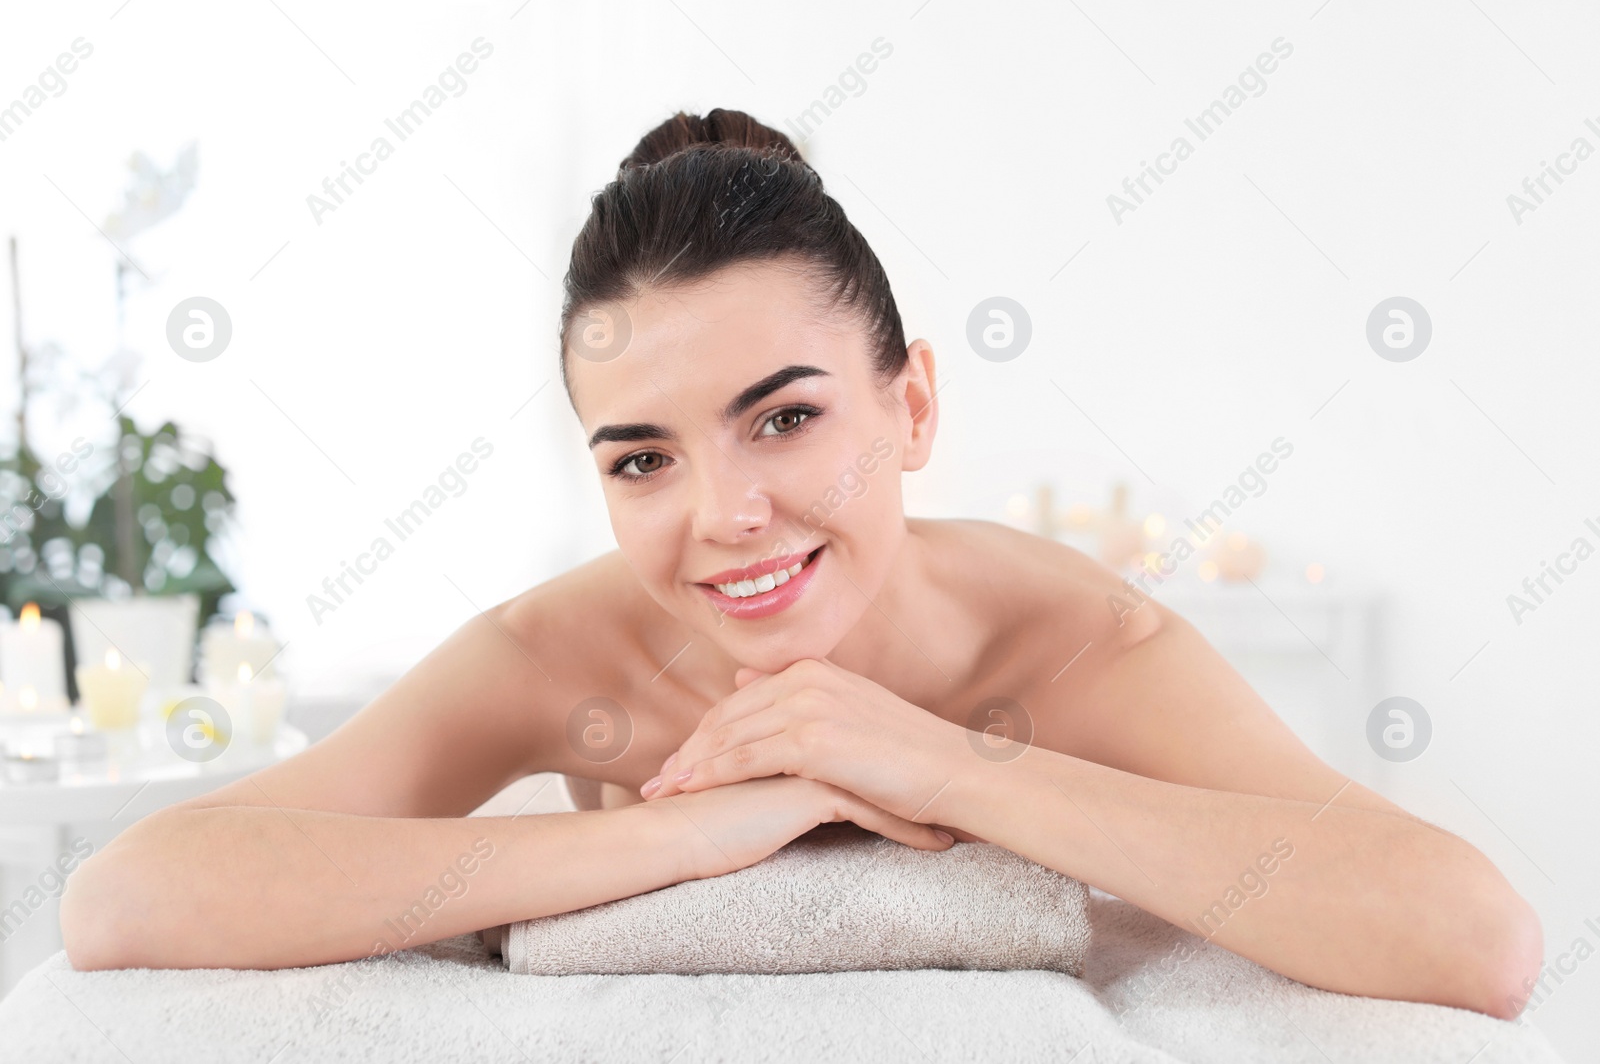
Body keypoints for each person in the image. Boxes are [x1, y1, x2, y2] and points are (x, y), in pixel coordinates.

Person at [60, 109, 1540, 1020]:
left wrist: (939, 764)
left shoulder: (1071, 641)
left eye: (785, 418)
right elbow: (132, 900)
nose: (727, 514)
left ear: (913, 409)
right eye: (643, 457)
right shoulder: (549, 661)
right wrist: (687, 836)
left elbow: (1473, 939)